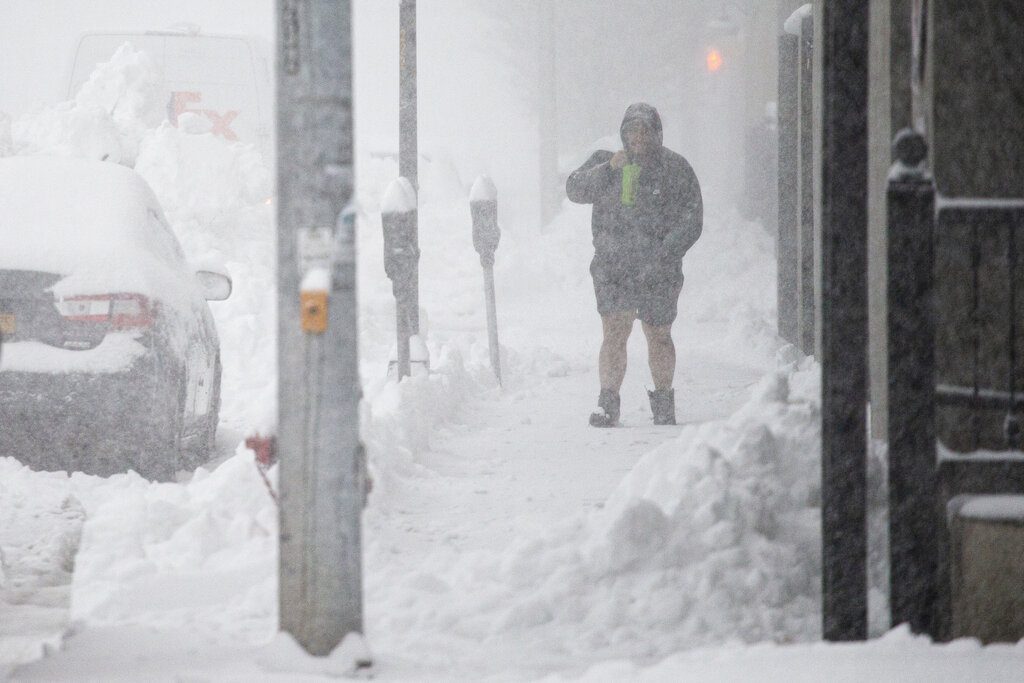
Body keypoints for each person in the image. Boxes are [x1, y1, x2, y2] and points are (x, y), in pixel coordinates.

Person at [566, 102, 703, 427]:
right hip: (613, 267)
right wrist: (609, 169)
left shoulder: (674, 168)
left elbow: (692, 218)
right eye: (631, 130)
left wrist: (665, 251)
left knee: (659, 334)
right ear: (623, 133)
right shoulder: (607, 162)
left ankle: (664, 401)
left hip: (659, 270)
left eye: (644, 130)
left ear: (657, 133)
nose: (638, 137)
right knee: (614, 333)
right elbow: (574, 189)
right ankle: (607, 403)